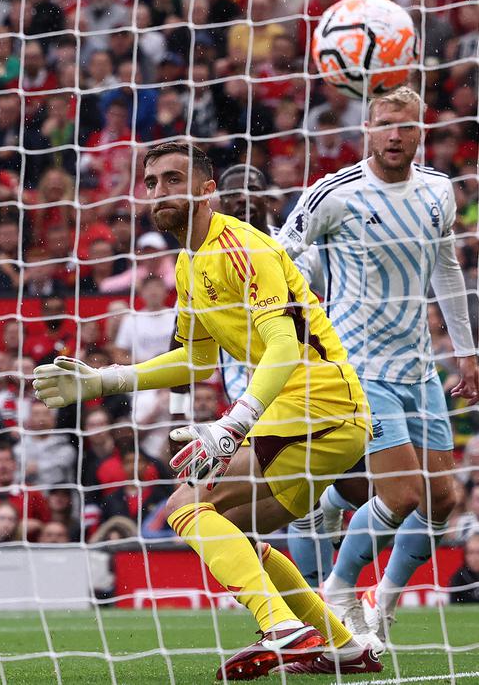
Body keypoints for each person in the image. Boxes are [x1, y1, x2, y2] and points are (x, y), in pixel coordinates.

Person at [33, 141, 378, 678]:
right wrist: (105, 380)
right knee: (232, 531)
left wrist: (231, 424)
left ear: (207, 190)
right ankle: (344, 646)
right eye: (151, 183)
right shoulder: (188, 263)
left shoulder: (242, 247)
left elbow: (285, 347)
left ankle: (283, 628)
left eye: (174, 180)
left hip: (320, 403)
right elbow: (195, 360)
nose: (160, 192)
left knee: (184, 505)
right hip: (311, 414)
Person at [274, 86, 479, 648]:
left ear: (421, 132)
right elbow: (280, 258)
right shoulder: (332, 195)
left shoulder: (439, 192)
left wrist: (466, 350)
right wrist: (290, 331)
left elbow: (446, 269)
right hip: (359, 367)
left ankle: (379, 602)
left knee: (443, 502)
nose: (396, 135)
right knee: (403, 494)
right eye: (386, 124)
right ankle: (338, 591)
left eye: (406, 126)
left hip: (419, 368)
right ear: (367, 129)